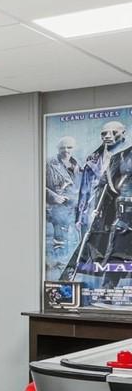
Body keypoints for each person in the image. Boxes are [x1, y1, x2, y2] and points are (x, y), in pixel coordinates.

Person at [74, 120, 132, 285]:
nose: (108, 136)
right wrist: (95, 211)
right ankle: (107, 290)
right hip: (122, 216)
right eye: (105, 133)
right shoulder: (118, 157)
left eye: (113, 133)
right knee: (117, 253)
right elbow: (103, 185)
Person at [46, 136, 79, 266]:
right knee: (60, 239)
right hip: (58, 207)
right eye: (62, 147)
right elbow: (37, 184)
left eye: (69, 147)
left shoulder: (77, 164)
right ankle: (59, 265)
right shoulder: (49, 163)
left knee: (76, 238)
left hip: (75, 206)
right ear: (57, 149)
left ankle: (71, 264)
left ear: (74, 148)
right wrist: (53, 196)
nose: (66, 150)